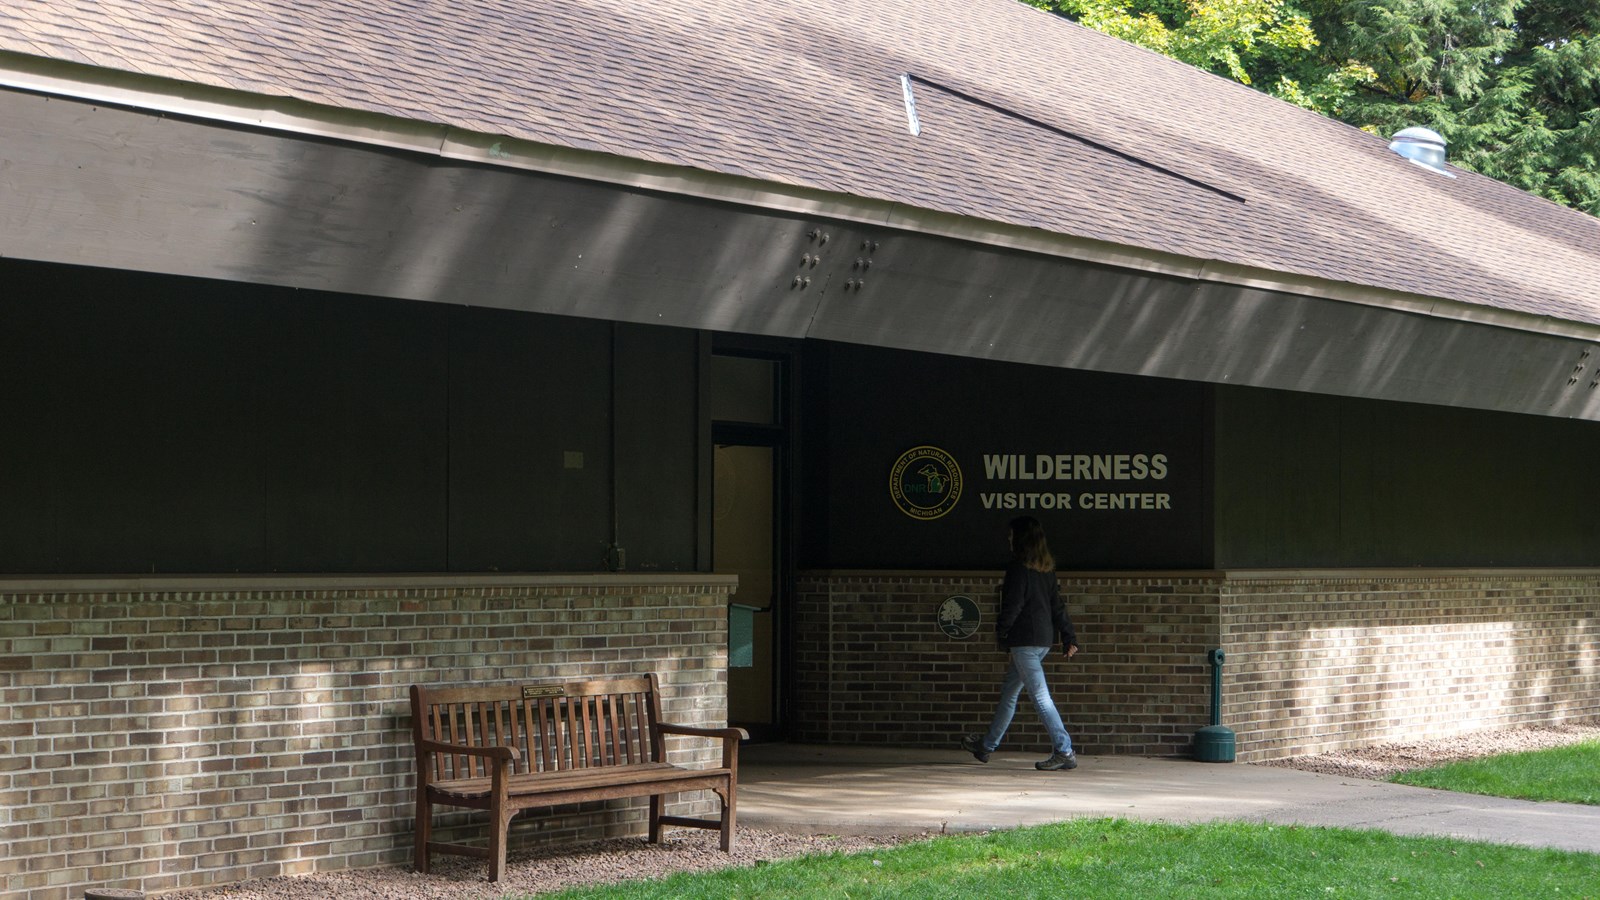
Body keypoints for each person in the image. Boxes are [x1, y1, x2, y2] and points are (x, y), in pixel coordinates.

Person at [961, 515, 1081, 771]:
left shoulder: (1017, 569)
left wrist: (1002, 633)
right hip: (1043, 641)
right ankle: (986, 746)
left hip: (1024, 642)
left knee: (1040, 697)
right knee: (1010, 692)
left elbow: (1012, 605)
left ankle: (1065, 750)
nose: (1008, 538)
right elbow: (1057, 607)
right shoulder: (1046, 570)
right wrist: (1069, 636)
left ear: (1020, 539)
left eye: (1011, 534)